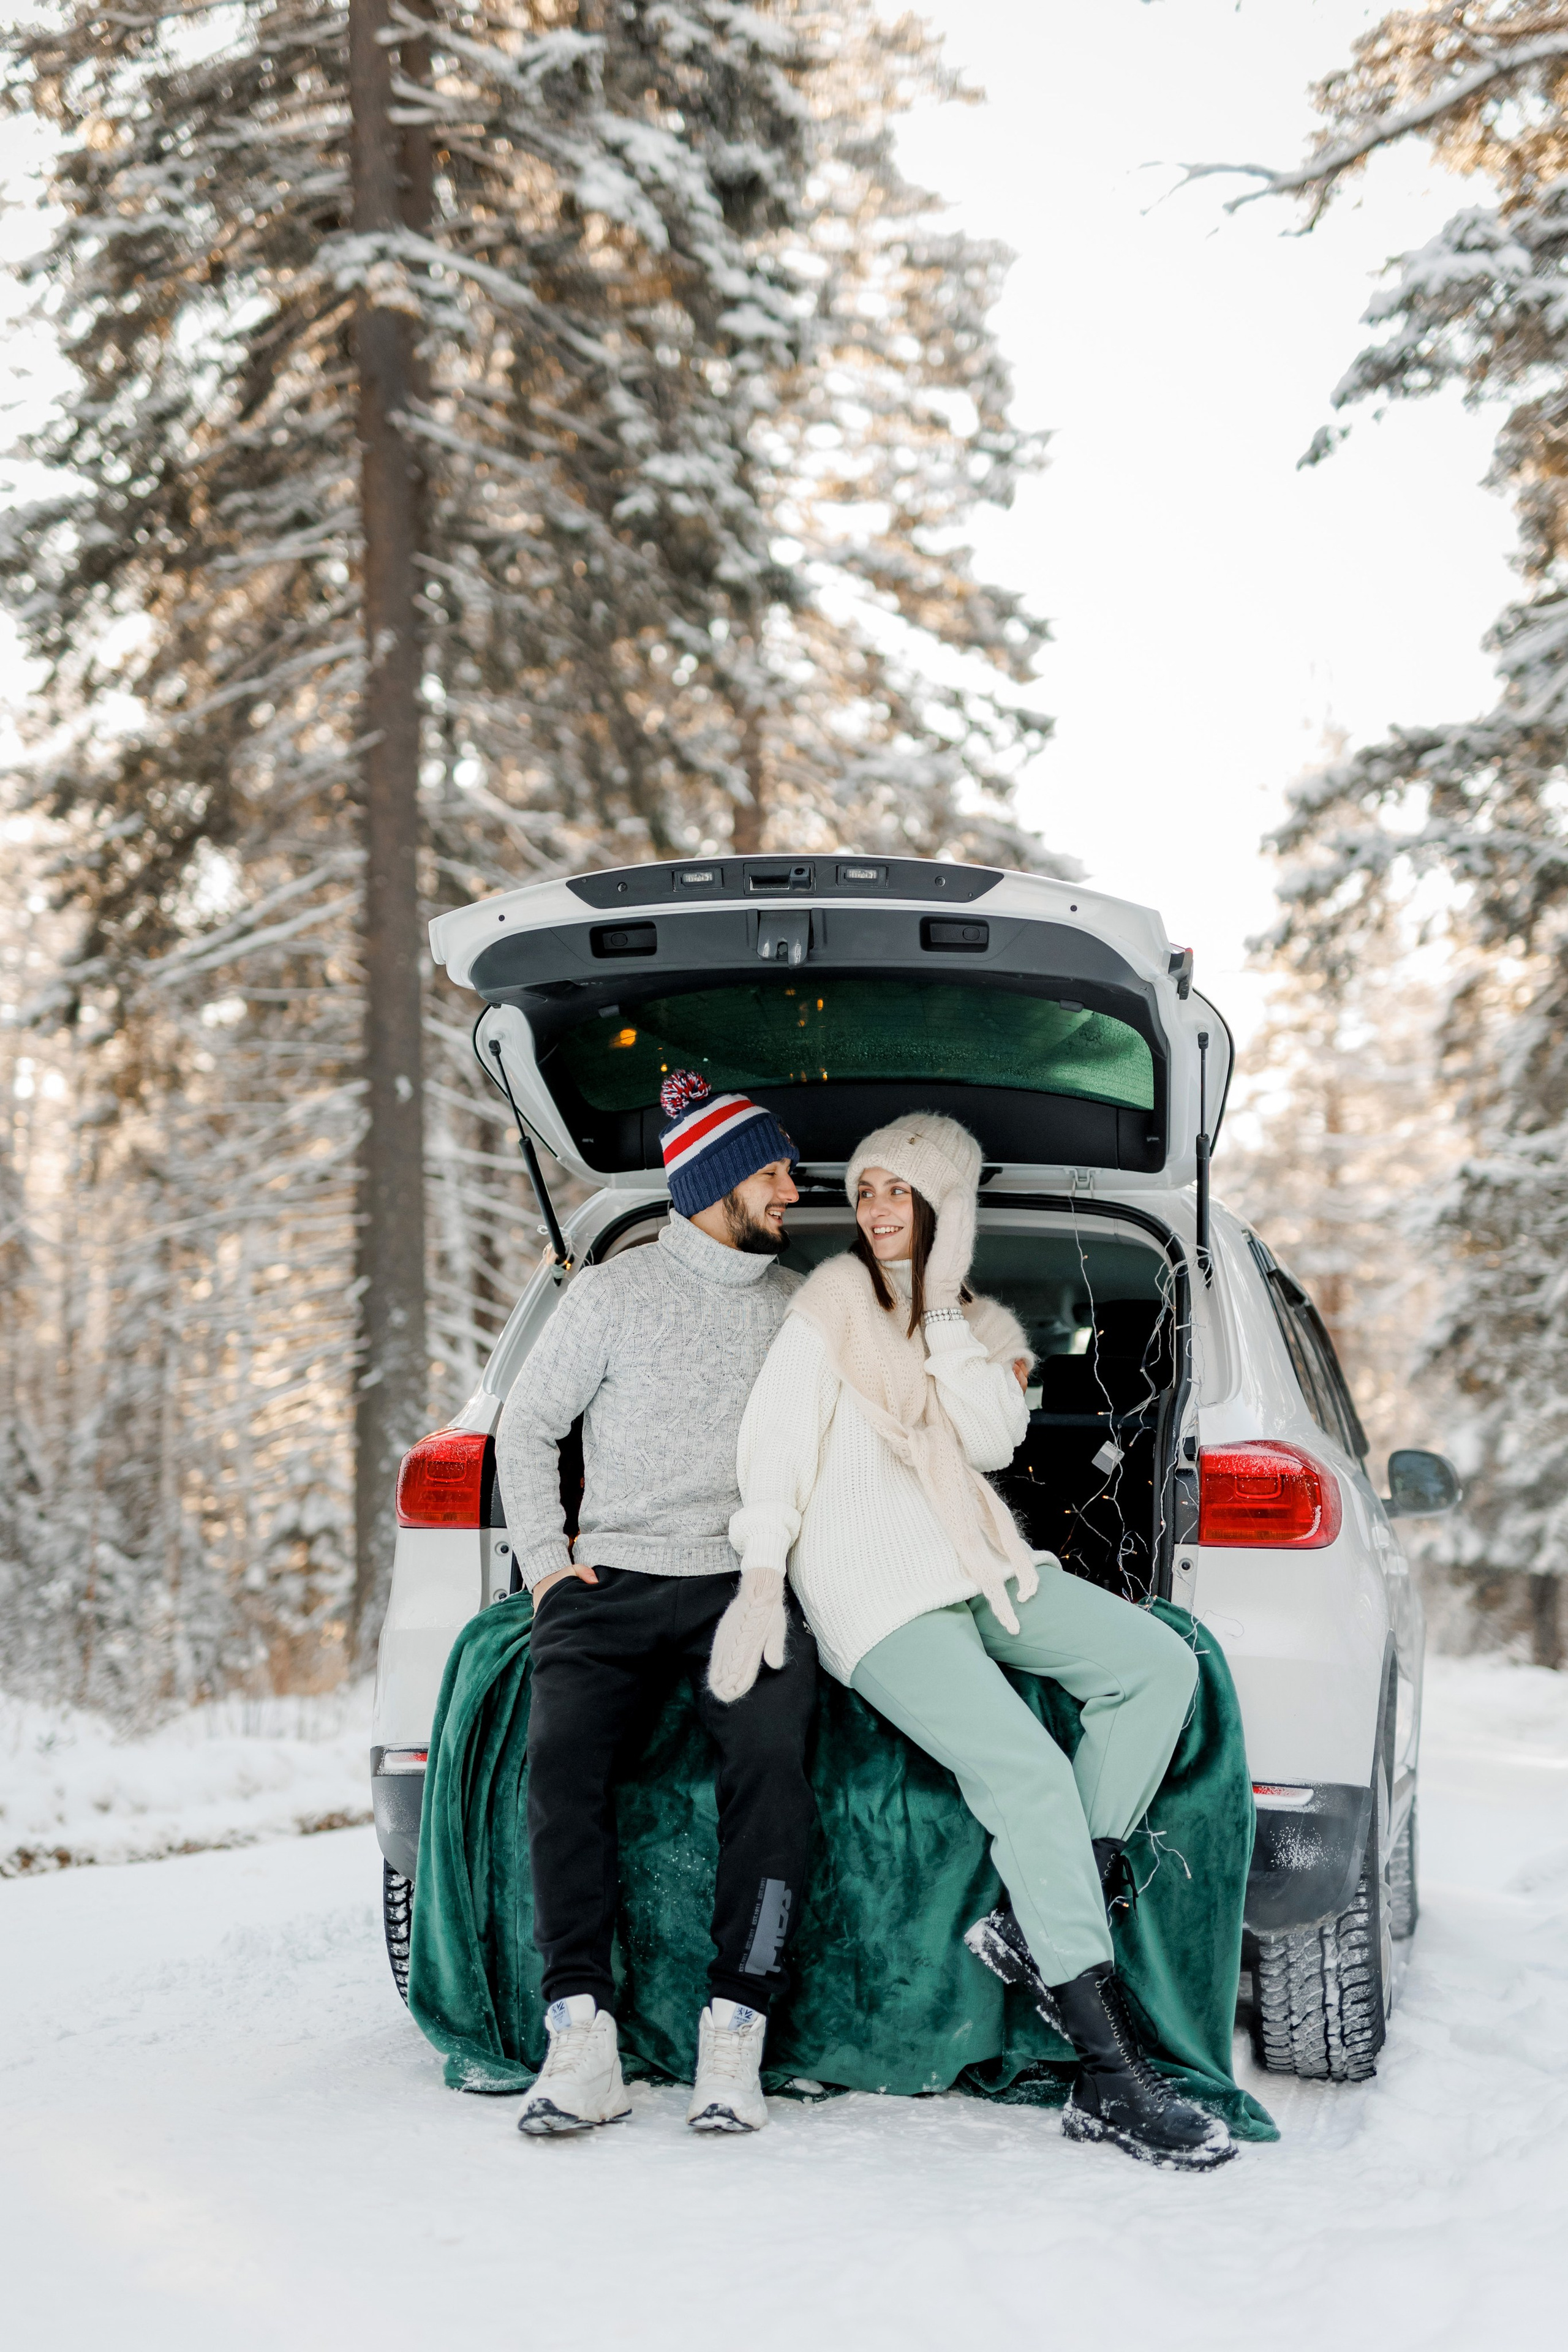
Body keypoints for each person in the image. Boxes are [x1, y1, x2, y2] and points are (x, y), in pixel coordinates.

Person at [721, 1112, 1235, 2170]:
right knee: (1027, 1771)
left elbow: (995, 1437)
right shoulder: (826, 1310)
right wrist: (764, 1576)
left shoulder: (979, 1321)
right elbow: (771, 1449)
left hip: (979, 1563)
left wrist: (945, 1310)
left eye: (897, 1193)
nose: (873, 1213)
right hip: (874, 1587)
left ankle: (1039, 1918)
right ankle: (1108, 2079)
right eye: (862, 1193)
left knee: (1156, 1664)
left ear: (944, 1207)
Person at [495, 1069, 817, 2138]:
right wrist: (547, 1562)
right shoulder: (612, 1293)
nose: (792, 1192)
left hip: (744, 1583)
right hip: (611, 1581)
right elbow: (527, 1424)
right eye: (774, 1173)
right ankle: (582, 2037)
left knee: (770, 1769)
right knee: (562, 1765)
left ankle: (738, 2029)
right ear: (718, 1182)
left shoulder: (795, 1308)